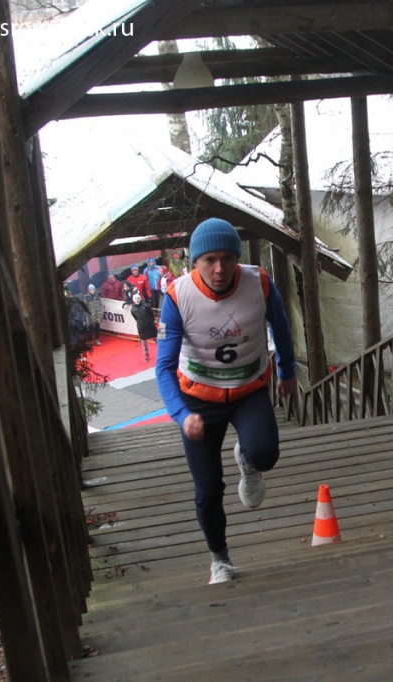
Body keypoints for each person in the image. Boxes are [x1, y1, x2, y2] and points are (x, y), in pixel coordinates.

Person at [155, 218, 297, 585]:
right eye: (210, 260)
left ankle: (248, 461)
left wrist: (287, 371)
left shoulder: (259, 282)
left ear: (238, 258)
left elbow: (280, 326)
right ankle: (220, 559)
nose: (219, 269)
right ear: (195, 262)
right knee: (207, 489)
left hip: (249, 389)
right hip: (198, 400)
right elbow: (164, 366)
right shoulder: (177, 296)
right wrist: (180, 414)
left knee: (266, 454)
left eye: (228, 259)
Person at [128, 291, 157, 361]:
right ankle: (146, 354)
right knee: (144, 343)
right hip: (142, 328)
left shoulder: (146, 306)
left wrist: (151, 322)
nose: (137, 300)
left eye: (138, 298)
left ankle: (162, 351)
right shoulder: (133, 310)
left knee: (157, 340)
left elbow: (151, 314)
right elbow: (136, 318)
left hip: (150, 325)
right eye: (135, 299)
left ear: (140, 299)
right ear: (133, 300)